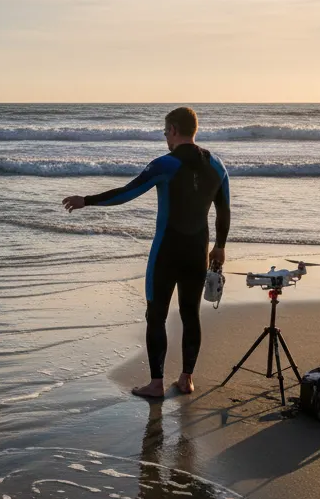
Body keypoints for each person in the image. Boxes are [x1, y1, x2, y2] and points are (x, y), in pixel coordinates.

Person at [62, 106, 230, 399]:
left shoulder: (165, 164)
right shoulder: (217, 165)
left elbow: (127, 192)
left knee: (156, 315)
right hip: (197, 252)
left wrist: (86, 200)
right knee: (191, 315)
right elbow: (224, 209)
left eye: (166, 131)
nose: (165, 137)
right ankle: (187, 379)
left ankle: (155, 384)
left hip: (166, 253)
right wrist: (220, 246)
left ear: (174, 130)